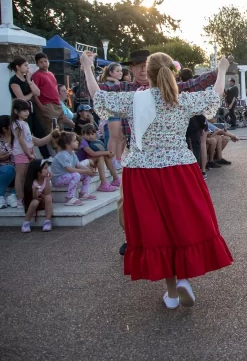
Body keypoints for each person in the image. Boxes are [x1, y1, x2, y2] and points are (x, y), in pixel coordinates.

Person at [81, 50, 233, 309]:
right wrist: (222, 68)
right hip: (179, 170)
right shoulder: (181, 100)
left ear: (147, 74)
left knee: (156, 230)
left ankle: (172, 292)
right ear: (171, 72)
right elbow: (216, 94)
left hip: (141, 172)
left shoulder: (132, 100)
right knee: (182, 224)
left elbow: (97, 96)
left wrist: (86, 66)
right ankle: (184, 278)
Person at [10, 100, 56, 210]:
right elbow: (21, 141)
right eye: (24, 110)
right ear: (16, 111)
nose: (27, 113)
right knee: (20, 176)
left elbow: (34, 140)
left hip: (28, 153)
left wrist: (52, 134)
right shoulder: (16, 124)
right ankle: (20, 198)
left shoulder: (24, 123)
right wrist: (28, 154)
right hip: (21, 153)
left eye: (27, 110)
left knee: (27, 176)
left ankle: (28, 197)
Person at [8, 57, 47, 157]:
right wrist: (31, 94)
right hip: (21, 112)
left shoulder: (27, 78)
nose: (27, 68)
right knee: (25, 135)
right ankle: (27, 155)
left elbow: (37, 93)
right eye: (25, 65)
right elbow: (22, 98)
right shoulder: (14, 81)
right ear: (18, 67)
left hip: (31, 110)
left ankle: (46, 157)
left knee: (40, 132)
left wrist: (29, 81)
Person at [50, 130, 96, 204]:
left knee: (88, 173)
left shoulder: (72, 153)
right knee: (76, 175)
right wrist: (86, 171)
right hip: (57, 179)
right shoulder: (62, 154)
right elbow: (69, 169)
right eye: (75, 141)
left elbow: (78, 165)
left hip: (67, 176)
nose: (77, 142)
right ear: (68, 144)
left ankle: (83, 193)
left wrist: (89, 170)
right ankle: (69, 198)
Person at [31, 53, 65, 152]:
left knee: (61, 129)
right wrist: (40, 106)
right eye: (41, 62)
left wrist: (59, 102)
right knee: (52, 130)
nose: (44, 64)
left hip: (57, 104)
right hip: (47, 105)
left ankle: (62, 151)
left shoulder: (51, 74)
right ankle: (55, 153)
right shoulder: (36, 76)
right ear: (37, 64)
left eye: (45, 61)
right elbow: (34, 94)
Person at [77, 123, 121, 192]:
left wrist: (108, 153)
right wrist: (107, 152)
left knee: (105, 156)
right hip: (80, 164)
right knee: (100, 156)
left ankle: (116, 178)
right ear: (82, 134)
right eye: (87, 134)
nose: (90, 136)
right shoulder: (83, 141)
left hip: (88, 162)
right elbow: (92, 153)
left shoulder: (92, 141)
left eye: (92, 134)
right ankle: (103, 183)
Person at [100, 62, 126, 169]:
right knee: (113, 137)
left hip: (121, 112)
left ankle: (118, 159)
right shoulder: (107, 84)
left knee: (121, 137)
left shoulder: (120, 83)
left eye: (121, 71)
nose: (120, 73)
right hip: (112, 113)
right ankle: (112, 159)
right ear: (111, 72)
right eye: (117, 71)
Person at [19, 159, 54, 233]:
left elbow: (47, 193)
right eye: (45, 168)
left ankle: (47, 222)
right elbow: (34, 197)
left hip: (44, 202)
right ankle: (26, 223)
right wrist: (35, 191)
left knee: (48, 197)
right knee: (35, 201)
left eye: (47, 168)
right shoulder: (33, 182)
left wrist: (47, 181)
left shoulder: (45, 179)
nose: (47, 170)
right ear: (38, 172)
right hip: (34, 202)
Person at [0, 115, 18, 209]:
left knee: (27, 168)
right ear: (4, 128)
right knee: (9, 169)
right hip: (3, 171)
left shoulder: (17, 138)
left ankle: (12, 196)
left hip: (17, 170)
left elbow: (37, 141)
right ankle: (0, 195)